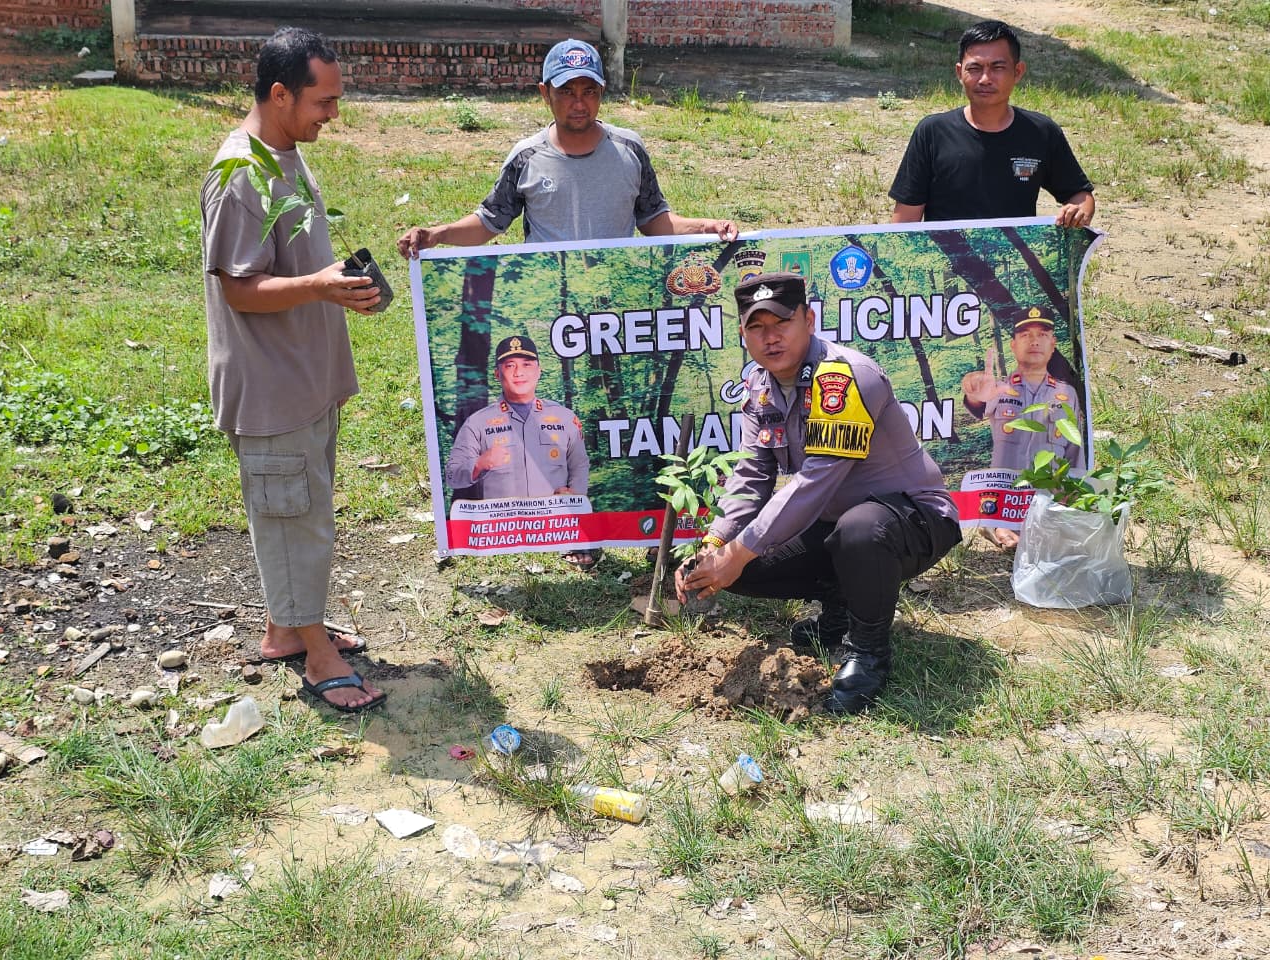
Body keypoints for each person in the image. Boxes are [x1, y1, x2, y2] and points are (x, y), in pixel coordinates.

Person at [399, 37, 737, 569]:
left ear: (602, 92)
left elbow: (655, 223)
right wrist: (437, 233)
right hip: (556, 325)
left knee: (623, 425)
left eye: (589, 90)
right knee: (566, 430)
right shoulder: (527, 158)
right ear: (545, 95)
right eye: (567, 92)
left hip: (620, 321)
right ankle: (577, 532)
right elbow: (489, 222)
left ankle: (639, 524)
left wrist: (708, 227)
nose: (579, 102)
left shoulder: (629, 151)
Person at [677, 273, 962, 715]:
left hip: (913, 520)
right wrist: (716, 543)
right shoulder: (759, 385)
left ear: (809, 320)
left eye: (782, 324)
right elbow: (754, 471)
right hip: (835, 521)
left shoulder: (843, 378)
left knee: (859, 531)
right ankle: (841, 605)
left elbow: (816, 482)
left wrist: (741, 549)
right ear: (743, 336)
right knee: (741, 567)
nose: (770, 338)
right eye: (757, 328)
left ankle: (869, 652)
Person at [202, 27, 385, 712]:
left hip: (304, 378)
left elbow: (293, 264)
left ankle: (286, 627)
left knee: (301, 510)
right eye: (323, 102)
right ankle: (317, 654)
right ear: (280, 94)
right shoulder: (240, 174)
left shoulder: (282, 152)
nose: (332, 115)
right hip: (271, 388)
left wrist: (337, 286)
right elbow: (238, 288)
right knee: (291, 516)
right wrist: (320, 287)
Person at [889, 20, 1095, 227]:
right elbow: (904, 223)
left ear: (1018, 71)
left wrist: (1079, 212)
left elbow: (1079, 195)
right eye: (975, 68)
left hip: (1015, 258)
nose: (985, 79)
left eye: (998, 67)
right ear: (959, 73)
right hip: (946, 258)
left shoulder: (1041, 132)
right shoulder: (932, 133)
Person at [961, 306, 1084, 548]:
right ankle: (997, 529)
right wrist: (977, 395)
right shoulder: (1000, 388)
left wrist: (1076, 499)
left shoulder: (1066, 393)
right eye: (1026, 335)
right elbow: (978, 407)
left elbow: (1075, 452)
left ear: (1053, 343)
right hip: (1004, 501)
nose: (1034, 341)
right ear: (1013, 345)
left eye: (1042, 334)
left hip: (1047, 498)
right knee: (1006, 530)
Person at [445, 335, 590, 499]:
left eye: (526, 365)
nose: (519, 373)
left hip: (555, 521)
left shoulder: (564, 418)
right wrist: (478, 464)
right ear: (497, 374)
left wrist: (576, 494)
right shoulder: (477, 423)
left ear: (538, 372)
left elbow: (579, 464)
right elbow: (452, 476)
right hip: (502, 522)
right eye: (509, 366)